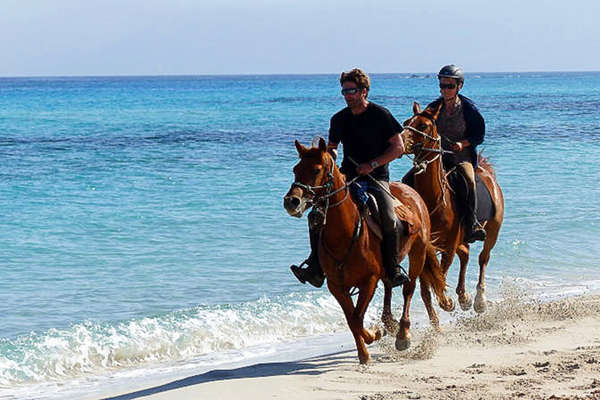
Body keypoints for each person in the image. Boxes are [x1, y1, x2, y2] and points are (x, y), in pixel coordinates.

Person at [290, 68, 409, 288]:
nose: (347, 95)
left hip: (377, 177)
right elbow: (333, 149)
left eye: (352, 91)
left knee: (389, 218)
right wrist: (326, 157)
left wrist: (372, 164)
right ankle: (315, 268)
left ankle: (392, 270)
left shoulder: (381, 115)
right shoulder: (339, 119)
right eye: (344, 91)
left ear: (364, 91)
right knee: (316, 214)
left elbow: (398, 148)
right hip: (348, 175)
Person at [427, 64, 486, 243]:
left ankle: (471, 223)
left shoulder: (469, 110)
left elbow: (479, 135)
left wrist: (463, 144)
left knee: (469, 181)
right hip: (438, 156)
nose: (445, 90)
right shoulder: (433, 108)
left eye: (449, 86)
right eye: (442, 86)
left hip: (461, 157)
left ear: (459, 86)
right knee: (409, 179)